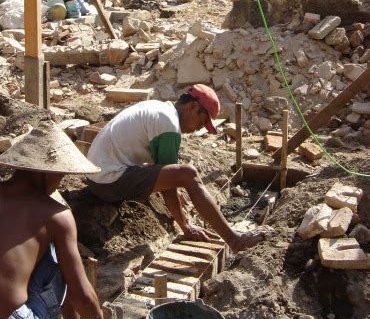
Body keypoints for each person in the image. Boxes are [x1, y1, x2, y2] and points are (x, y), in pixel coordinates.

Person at [0, 124, 104, 319]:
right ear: (46, 172)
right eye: (61, 174)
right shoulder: (56, 215)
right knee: (58, 261)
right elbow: (81, 296)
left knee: (39, 252)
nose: (60, 181)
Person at [87, 84, 272, 252]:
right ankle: (234, 239)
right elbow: (172, 183)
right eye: (201, 122)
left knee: (181, 175)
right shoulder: (168, 123)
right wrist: (186, 226)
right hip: (109, 181)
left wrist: (172, 181)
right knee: (188, 174)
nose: (197, 129)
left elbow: (164, 172)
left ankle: (231, 237)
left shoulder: (159, 109)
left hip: (98, 176)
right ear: (192, 107)